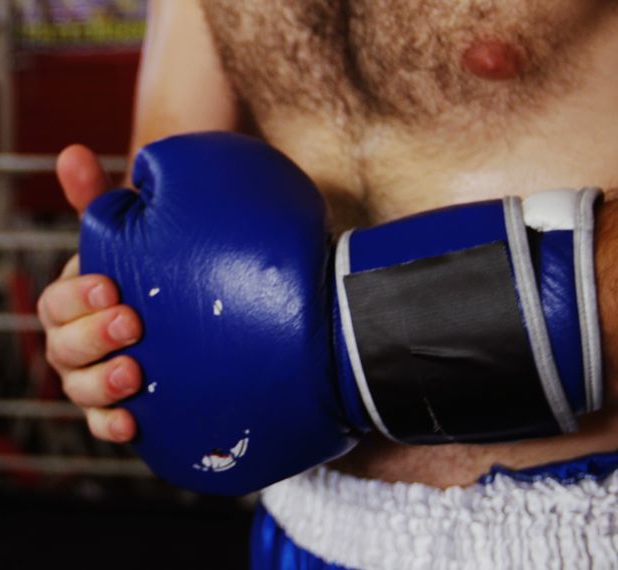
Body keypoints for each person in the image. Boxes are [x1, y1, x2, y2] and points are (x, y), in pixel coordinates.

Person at [38, 1, 618, 567]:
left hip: (583, 526)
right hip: (307, 523)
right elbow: (166, 236)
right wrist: (104, 323)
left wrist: (356, 338)